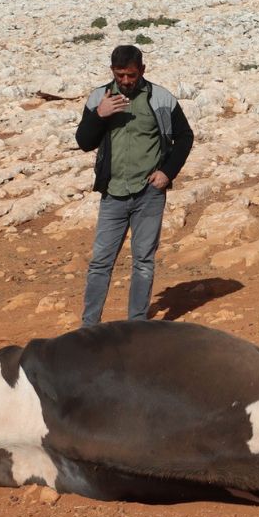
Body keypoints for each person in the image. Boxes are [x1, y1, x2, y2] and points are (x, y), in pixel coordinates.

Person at [75, 44, 193, 326]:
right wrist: (99, 115)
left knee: (143, 262)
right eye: (120, 76)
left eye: (130, 75)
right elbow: (84, 142)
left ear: (142, 70)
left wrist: (167, 172)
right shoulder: (98, 98)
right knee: (100, 263)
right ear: (112, 72)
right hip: (113, 193)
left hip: (149, 194)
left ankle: (137, 326)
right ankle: (89, 327)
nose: (125, 81)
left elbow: (185, 137)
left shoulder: (161, 98)